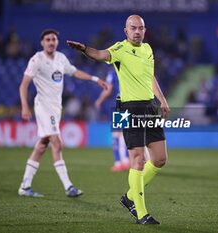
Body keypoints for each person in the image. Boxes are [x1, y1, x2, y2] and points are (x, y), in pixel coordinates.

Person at [67, 15, 170, 224]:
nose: (137, 31)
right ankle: (141, 214)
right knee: (138, 160)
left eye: (140, 28)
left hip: (149, 107)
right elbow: (99, 54)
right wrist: (84, 49)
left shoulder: (148, 50)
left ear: (145, 30)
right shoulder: (119, 49)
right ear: (126, 31)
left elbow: (150, 77)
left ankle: (130, 197)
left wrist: (162, 100)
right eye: (133, 28)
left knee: (160, 159)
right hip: (127, 108)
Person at [18, 29, 108, 197]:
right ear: (42, 42)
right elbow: (24, 85)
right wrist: (24, 106)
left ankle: (25, 186)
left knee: (42, 145)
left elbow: (75, 72)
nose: (51, 42)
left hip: (55, 107)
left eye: (53, 39)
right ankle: (69, 187)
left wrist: (95, 79)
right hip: (43, 106)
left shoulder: (60, 58)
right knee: (57, 143)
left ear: (57, 42)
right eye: (48, 39)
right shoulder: (36, 60)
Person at [95, 68, 130, 172]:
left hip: (117, 105)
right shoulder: (127, 70)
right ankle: (127, 161)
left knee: (116, 134)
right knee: (124, 133)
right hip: (128, 103)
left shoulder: (113, 72)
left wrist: (99, 100)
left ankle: (119, 162)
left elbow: (108, 88)